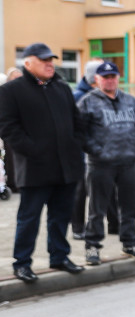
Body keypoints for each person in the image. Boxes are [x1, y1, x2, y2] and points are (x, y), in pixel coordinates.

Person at [0, 43, 86, 282]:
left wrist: (75, 144)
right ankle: (22, 263)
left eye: (52, 60)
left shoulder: (61, 87)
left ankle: (59, 256)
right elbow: (8, 129)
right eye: (44, 60)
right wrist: (34, 150)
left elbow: (77, 122)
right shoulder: (11, 91)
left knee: (60, 216)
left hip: (65, 167)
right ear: (28, 63)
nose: (51, 64)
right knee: (29, 218)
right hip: (35, 167)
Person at [76, 61, 135, 264]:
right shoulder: (87, 102)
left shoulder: (130, 101)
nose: (110, 80)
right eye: (105, 77)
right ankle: (92, 247)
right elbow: (79, 133)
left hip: (128, 163)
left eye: (113, 77)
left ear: (118, 78)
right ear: (97, 79)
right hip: (100, 165)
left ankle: (130, 243)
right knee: (97, 208)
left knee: (130, 207)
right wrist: (97, 151)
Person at [71, 59, 119, 241]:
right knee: (81, 190)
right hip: (84, 152)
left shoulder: (108, 94)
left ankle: (114, 224)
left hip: (107, 151)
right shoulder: (79, 97)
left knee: (109, 188)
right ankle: (78, 227)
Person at [4, 67, 24, 193]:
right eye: (14, 77)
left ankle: (19, 181)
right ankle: (13, 183)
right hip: (10, 131)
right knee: (11, 158)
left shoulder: (25, 92)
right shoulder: (6, 92)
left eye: (19, 77)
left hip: (23, 130)